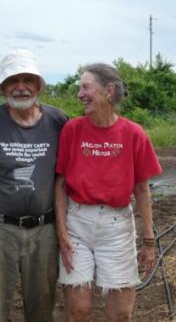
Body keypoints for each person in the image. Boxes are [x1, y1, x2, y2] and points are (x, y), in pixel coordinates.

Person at [55, 63, 162, 322]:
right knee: (79, 310)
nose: (80, 94)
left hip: (117, 228)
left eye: (86, 87)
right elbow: (59, 184)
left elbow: (142, 190)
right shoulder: (73, 130)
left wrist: (149, 241)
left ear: (108, 90)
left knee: (120, 313)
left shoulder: (134, 134)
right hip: (77, 225)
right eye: (79, 88)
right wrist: (62, 234)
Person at [0, 49, 68, 321]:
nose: (21, 87)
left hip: (44, 230)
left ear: (39, 85)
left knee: (41, 306)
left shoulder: (58, 121)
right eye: (13, 80)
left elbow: (69, 172)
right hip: (2, 228)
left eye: (28, 79)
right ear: (3, 87)